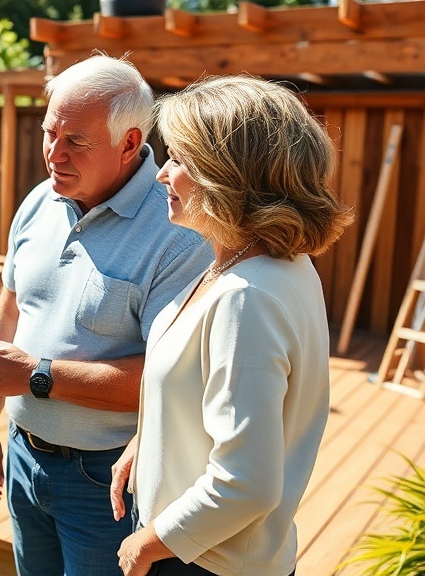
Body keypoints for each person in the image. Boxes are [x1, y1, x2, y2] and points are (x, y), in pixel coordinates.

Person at [0, 55, 212, 576]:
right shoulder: (38, 202)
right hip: (24, 457)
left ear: (129, 142)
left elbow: (173, 380)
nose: (54, 153)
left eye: (76, 140)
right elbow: (10, 313)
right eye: (49, 132)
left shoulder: (178, 230)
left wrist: (35, 375)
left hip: (108, 481)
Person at [110, 75, 355, 576]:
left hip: (205, 561)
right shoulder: (254, 261)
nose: (162, 174)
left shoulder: (247, 297)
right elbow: (207, 387)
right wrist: (150, 441)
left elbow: (245, 483)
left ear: (227, 175)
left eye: (179, 159)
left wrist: (146, 546)